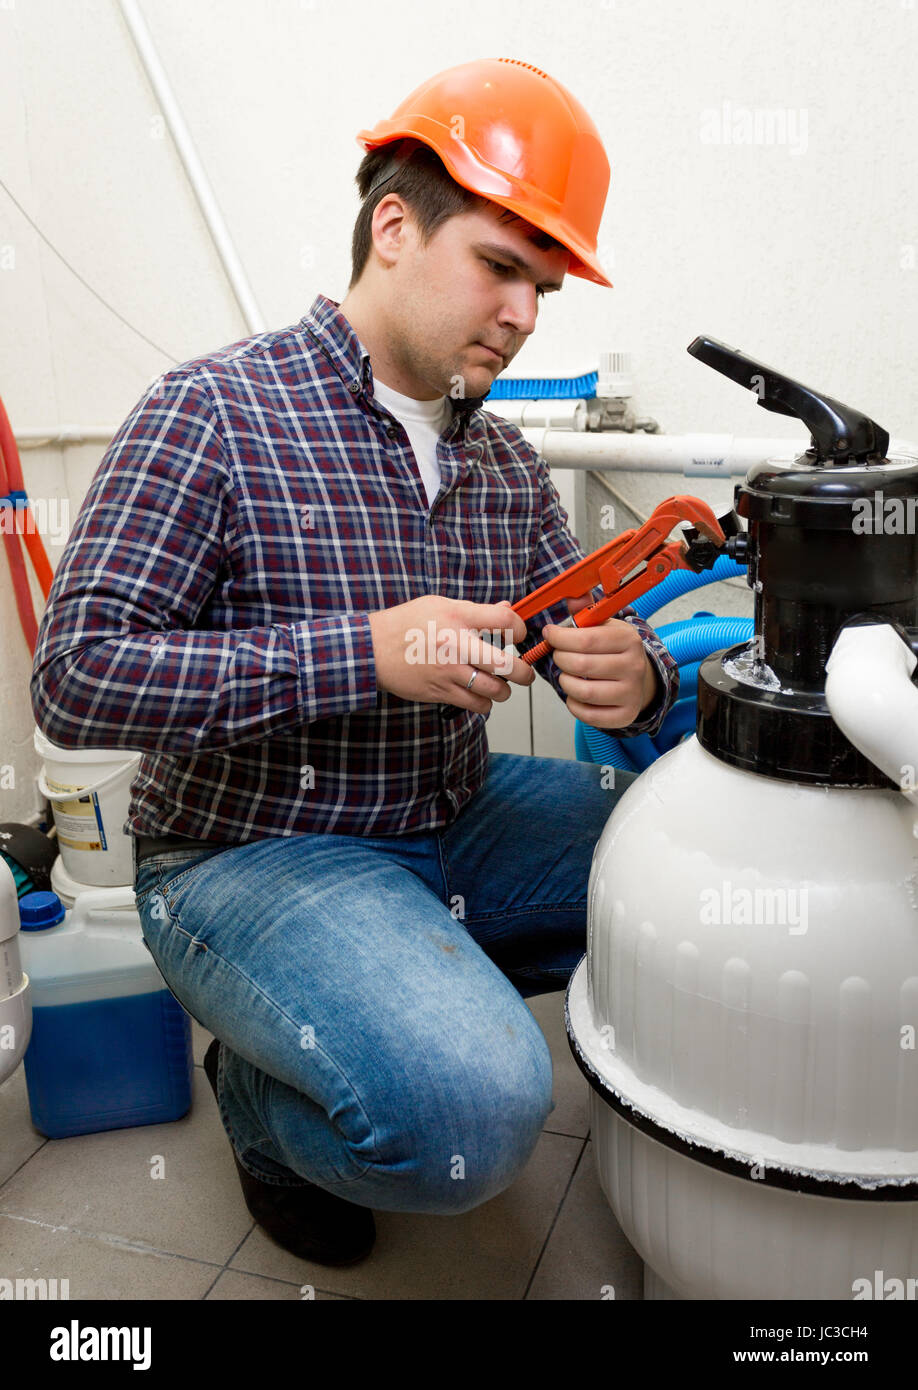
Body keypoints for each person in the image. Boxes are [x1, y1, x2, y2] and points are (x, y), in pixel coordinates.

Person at [30, 58, 679, 1268]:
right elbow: (76, 673)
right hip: (251, 852)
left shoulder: (505, 464)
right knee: (477, 1112)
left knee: (690, 880)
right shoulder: (212, 412)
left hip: (453, 813)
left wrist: (629, 672)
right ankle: (264, 1109)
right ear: (394, 227)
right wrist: (364, 655)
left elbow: (570, 627)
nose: (527, 311)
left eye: (542, 287)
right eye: (501, 266)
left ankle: (380, 993)